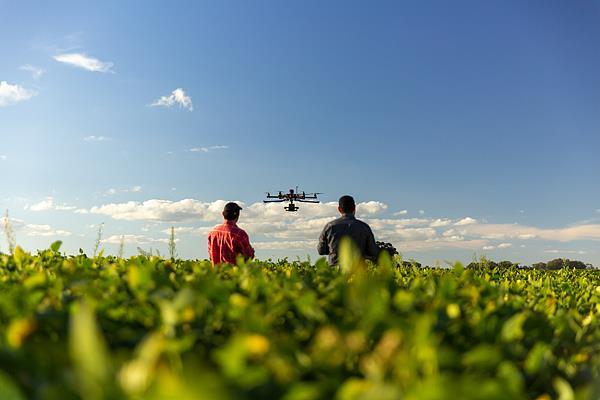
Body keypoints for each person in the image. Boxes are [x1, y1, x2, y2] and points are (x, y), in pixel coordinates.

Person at [317, 195, 380, 265]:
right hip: (357, 271)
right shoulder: (364, 227)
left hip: (335, 271)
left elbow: (321, 250)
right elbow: (373, 252)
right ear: (354, 208)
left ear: (339, 209)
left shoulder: (329, 226)